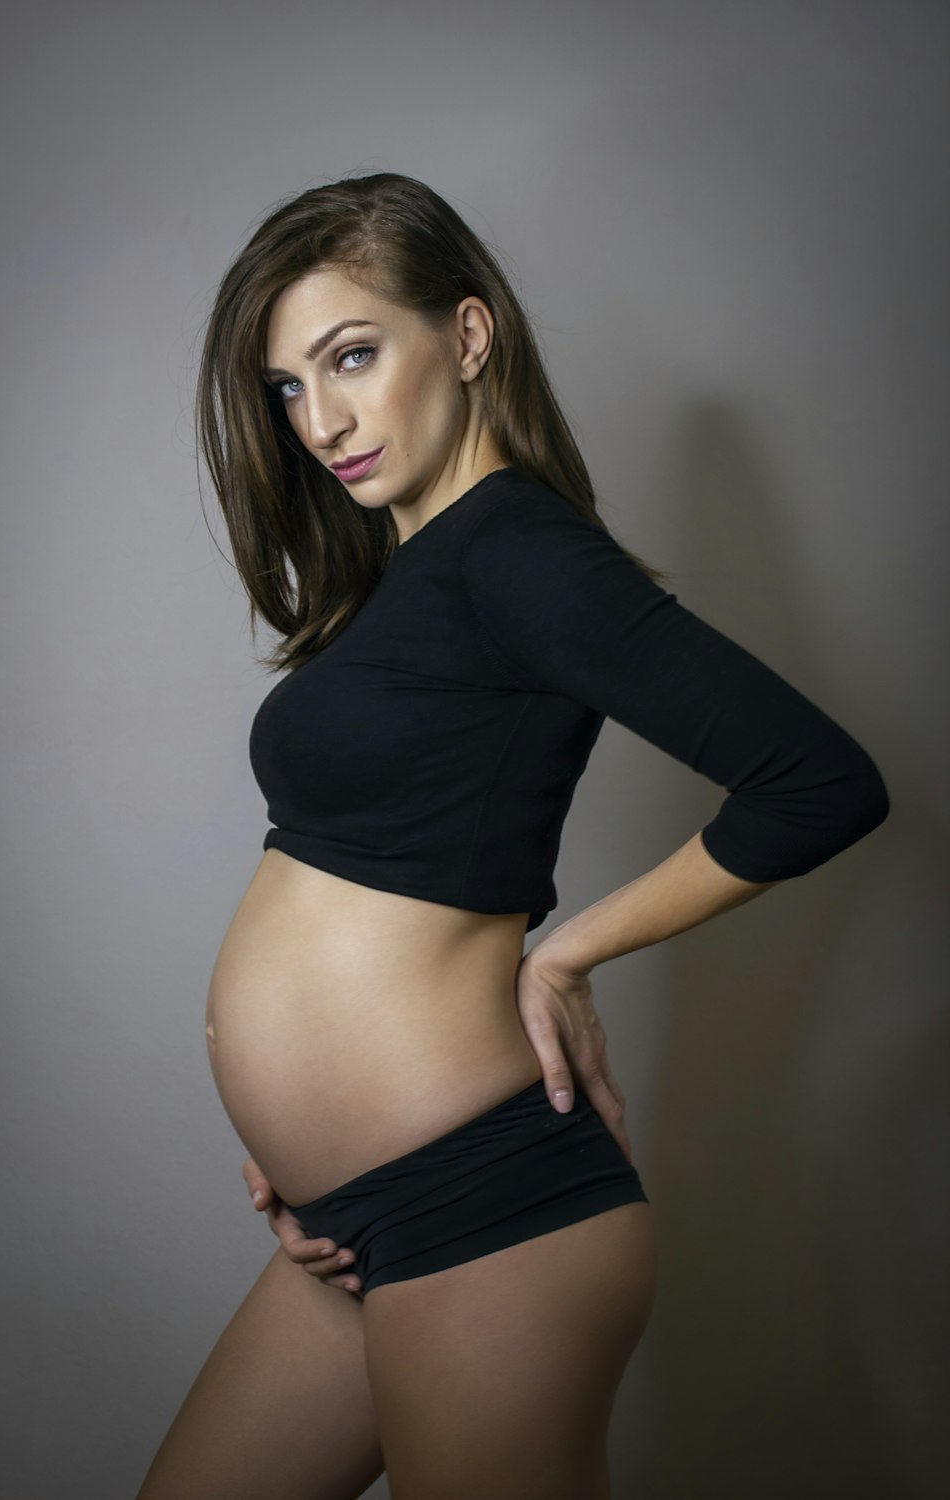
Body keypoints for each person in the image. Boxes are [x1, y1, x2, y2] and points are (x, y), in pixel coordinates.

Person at [134, 171, 890, 1500]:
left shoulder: (520, 551)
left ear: (468, 337)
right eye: (290, 388)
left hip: (488, 1214)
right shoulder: (407, 579)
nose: (321, 420)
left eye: (352, 356)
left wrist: (564, 955)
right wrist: (297, 1123)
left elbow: (818, 780)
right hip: (352, 1221)